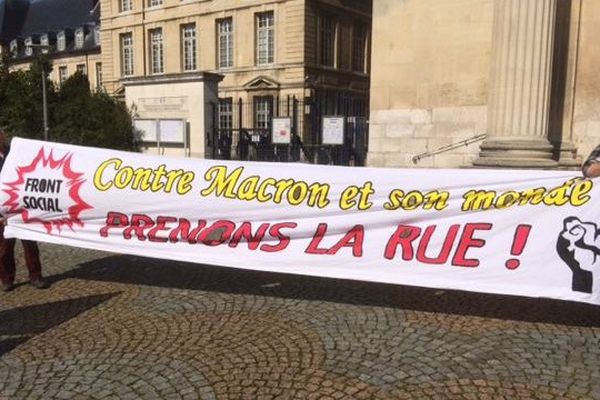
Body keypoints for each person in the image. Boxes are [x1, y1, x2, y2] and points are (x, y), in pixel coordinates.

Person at [0, 128, 48, 292]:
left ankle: (36, 276)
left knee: (30, 244)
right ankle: (7, 279)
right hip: (3, 210)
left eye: (1, 135)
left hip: (22, 207)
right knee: (5, 248)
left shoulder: (15, 153)